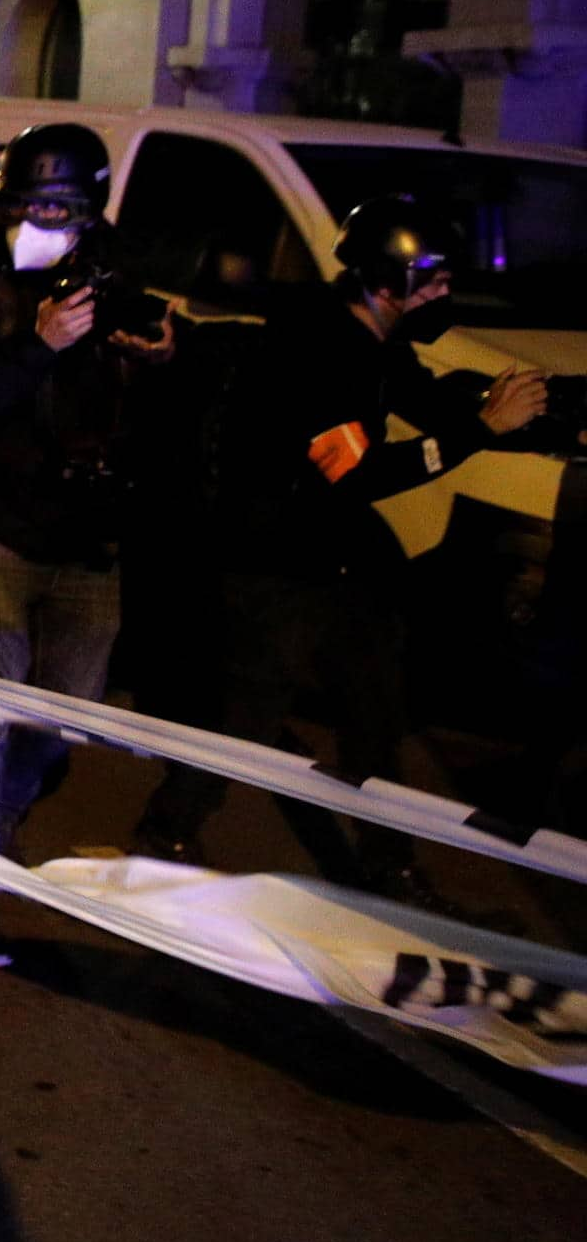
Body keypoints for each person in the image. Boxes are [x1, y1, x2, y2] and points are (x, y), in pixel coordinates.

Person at [132, 197, 551, 910]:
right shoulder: (321, 352)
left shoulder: (377, 341)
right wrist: (480, 428)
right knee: (248, 719)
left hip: (336, 561)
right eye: (434, 282)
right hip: (275, 566)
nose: (445, 295)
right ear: (385, 282)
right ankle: (164, 833)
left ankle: (391, 867)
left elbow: (421, 399)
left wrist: (517, 407)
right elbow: (355, 470)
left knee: (375, 715)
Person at [0, 125, 170, 962]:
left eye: (61, 209)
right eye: (28, 206)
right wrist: (37, 345)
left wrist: (157, 354)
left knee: (58, 723)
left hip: (88, 544)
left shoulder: (114, 273)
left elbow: (148, 393)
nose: (41, 222)